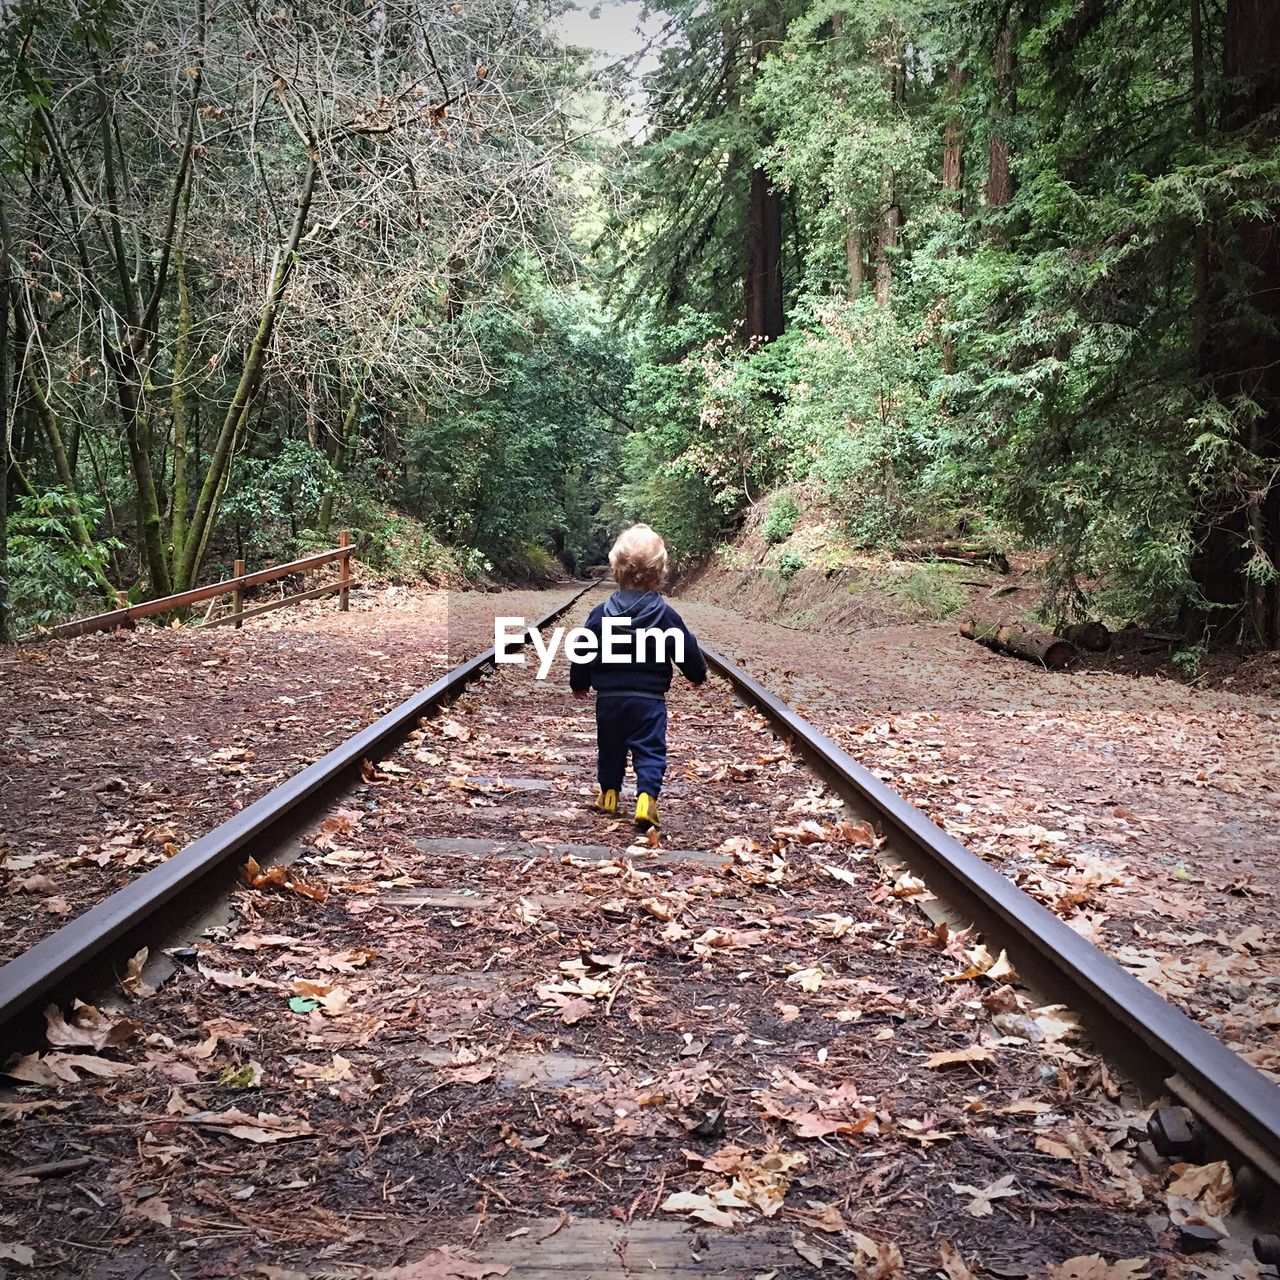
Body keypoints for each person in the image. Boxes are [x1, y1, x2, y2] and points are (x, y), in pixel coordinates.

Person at [568, 524, 707, 832]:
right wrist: (696, 674)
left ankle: (610, 794)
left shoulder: (601, 613)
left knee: (611, 747)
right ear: (659, 572)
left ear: (616, 569)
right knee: (650, 749)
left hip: (610, 700)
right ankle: (646, 798)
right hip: (649, 700)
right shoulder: (666, 615)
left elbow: (583, 649)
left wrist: (580, 682)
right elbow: (685, 647)